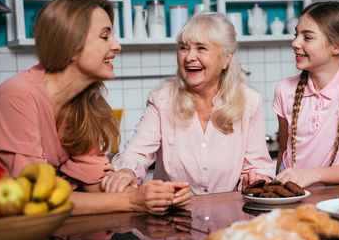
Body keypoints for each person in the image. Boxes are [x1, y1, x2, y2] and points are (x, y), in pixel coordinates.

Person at [0, 0, 189, 215]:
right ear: (71, 45)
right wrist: (132, 201)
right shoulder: (18, 98)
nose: (117, 46)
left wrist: (156, 195)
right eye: (105, 37)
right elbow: (32, 198)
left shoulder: (78, 104)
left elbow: (96, 181)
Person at [104, 13, 274, 195]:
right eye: (184, 48)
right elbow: (137, 152)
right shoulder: (162, 100)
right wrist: (127, 170)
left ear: (226, 58)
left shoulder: (249, 101)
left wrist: (255, 180)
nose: (189, 57)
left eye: (201, 48)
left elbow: (257, 166)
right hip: (172, 215)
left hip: (230, 216)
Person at [274, 1, 339, 188]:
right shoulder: (284, 89)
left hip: (335, 199)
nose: (295, 43)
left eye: (308, 37)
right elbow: (283, 151)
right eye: (296, 34)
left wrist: (313, 174)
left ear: (337, 46)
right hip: (291, 198)